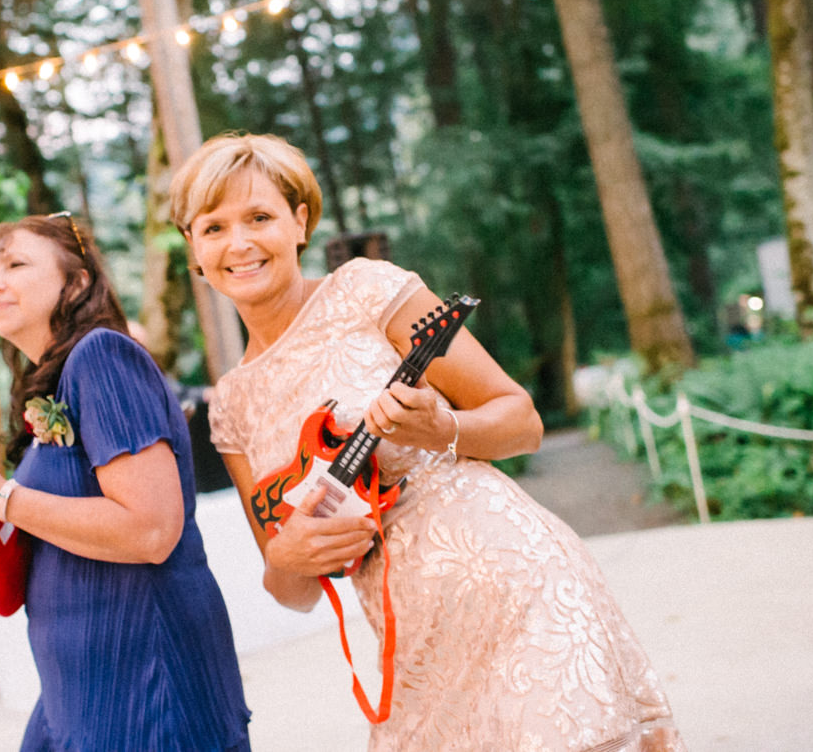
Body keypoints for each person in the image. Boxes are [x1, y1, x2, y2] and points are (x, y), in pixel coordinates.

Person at [169, 133, 685, 751]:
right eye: (215, 227)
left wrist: (445, 430)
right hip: (411, 646)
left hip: (518, 586)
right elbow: (291, 589)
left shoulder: (367, 290)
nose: (240, 243)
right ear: (194, 250)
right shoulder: (230, 404)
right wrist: (291, 555)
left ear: (299, 221)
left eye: (259, 217)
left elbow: (522, 420)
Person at [0, 213, 251, 752]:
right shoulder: (51, 382)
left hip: (147, 689)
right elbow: (80, 525)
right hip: (79, 692)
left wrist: (2, 497)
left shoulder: (103, 356)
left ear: (75, 283)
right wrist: (0, 540)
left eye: (15, 264)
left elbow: (150, 530)